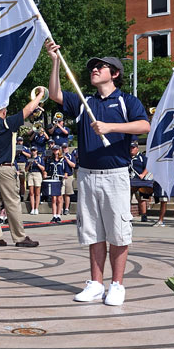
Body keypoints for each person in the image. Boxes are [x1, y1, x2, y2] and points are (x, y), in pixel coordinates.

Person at [47, 44, 150, 307]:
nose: (94, 69)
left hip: (115, 174)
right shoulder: (85, 102)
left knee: (118, 232)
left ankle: (117, 285)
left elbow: (144, 125)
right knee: (93, 232)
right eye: (93, 66)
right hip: (87, 174)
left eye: (100, 66)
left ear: (114, 73)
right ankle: (95, 283)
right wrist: (55, 60)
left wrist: (111, 126)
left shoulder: (128, 101)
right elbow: (56, 93)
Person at [0, 92, 43, 249]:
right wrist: (40, 96)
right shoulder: (5, 123)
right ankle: (19, 237)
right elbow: (27, 110)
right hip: (4, 168)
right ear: (3, 111)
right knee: (12, 202)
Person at [129, 141, 154, 224]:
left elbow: (148, 167)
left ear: (137, 148)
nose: (131, 149)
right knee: (127, 198)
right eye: (130, 148)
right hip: (129, 181)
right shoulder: (127, 157)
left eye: (133, 148)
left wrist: (143, 174)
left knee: (141, 198)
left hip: (139, 181)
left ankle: (144, 215)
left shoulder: (142, 157)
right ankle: (127, 215)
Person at [45, 145, 71, 223]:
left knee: (59, 198)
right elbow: (46, 169)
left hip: (60, 180)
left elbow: (66, 170)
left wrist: (65, 175)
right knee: (53, 199)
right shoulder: (50, 160)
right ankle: (54, 215)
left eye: (56, 150)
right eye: (54, 150)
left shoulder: (63, 160)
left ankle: (59, 215)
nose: (55, 151)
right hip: (53, 180)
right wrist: (45, 174)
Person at [26, 146, 45, 215]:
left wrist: (37, 163)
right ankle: (32, 208)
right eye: (32, 150)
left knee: (37, 192)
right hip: (30, 173)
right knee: (31, 192)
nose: (33, 152)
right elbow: (26, 169)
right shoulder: (29, 159)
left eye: (34, 150)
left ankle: (36, 208)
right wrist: (30, 164)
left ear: (36, 151)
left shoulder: (40, 159)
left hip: (37, 173)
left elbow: (43, 168)